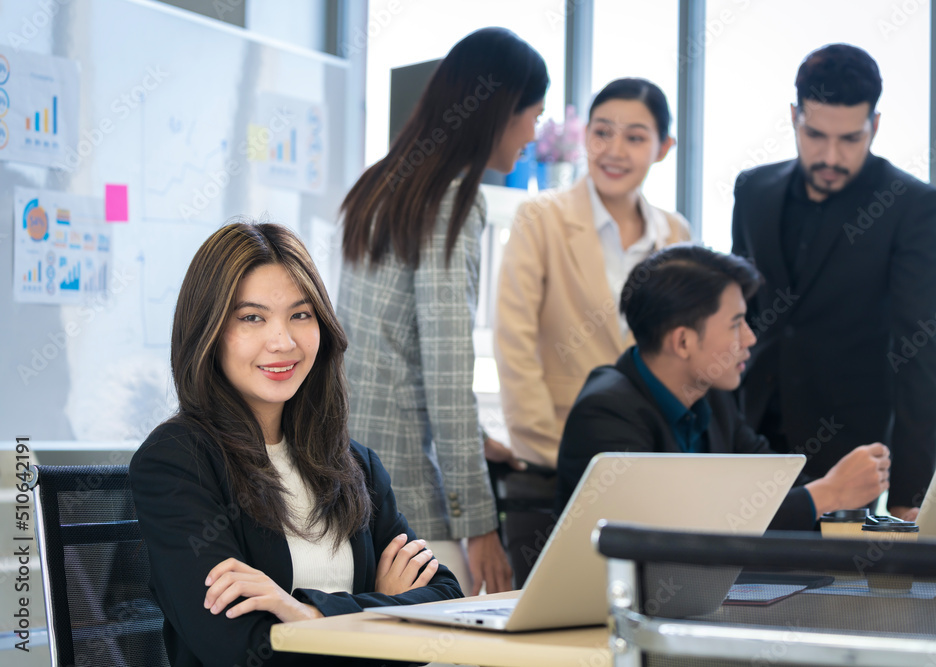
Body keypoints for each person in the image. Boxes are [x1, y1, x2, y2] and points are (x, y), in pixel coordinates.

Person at [130, 221, 462, 667]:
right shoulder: (175, 462)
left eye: (300, 315)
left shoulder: (355, 464)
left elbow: (445, 600)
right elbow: (242, 648)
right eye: (252, 318)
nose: (282, 341)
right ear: (208, 331)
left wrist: (304, 614)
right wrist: (379, 607)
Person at [337, 27, 548, 595]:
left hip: (351, 472)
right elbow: (447, 375)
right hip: (407, 492)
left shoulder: (384, 185)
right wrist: (479, 525)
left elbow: (392, 345)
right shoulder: (453, 200)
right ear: (501, 112)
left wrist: (476, 439)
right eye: (533, 114)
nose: (534, 133)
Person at [730, 44, 936, 521]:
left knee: (832, 594)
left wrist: (911, 495)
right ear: (794, 117)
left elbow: (921, 351)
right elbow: (738, 316)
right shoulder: (752, 192)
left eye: (850, 139)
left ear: (875, 125)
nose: (831, 155)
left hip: (850, 451)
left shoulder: (912, 207)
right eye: (815, 135)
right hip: (749, 441)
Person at [556, 245, 891, 530]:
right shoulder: (606, 413)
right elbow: (679, 533)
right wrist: (827, 494)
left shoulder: (712, 398)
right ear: (683, 341)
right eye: (735, 324)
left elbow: (772, 486)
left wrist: (845, 494)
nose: (750, 338)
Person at [496, 77, 690, 471]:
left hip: (654, 455)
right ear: (585, 136)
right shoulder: (540, 219)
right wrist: (547, 449)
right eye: (602, 133)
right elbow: (514, 344)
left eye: (635, 138)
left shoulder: (675, 234)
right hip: (560, 449)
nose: (613, 151)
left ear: (663, 148)